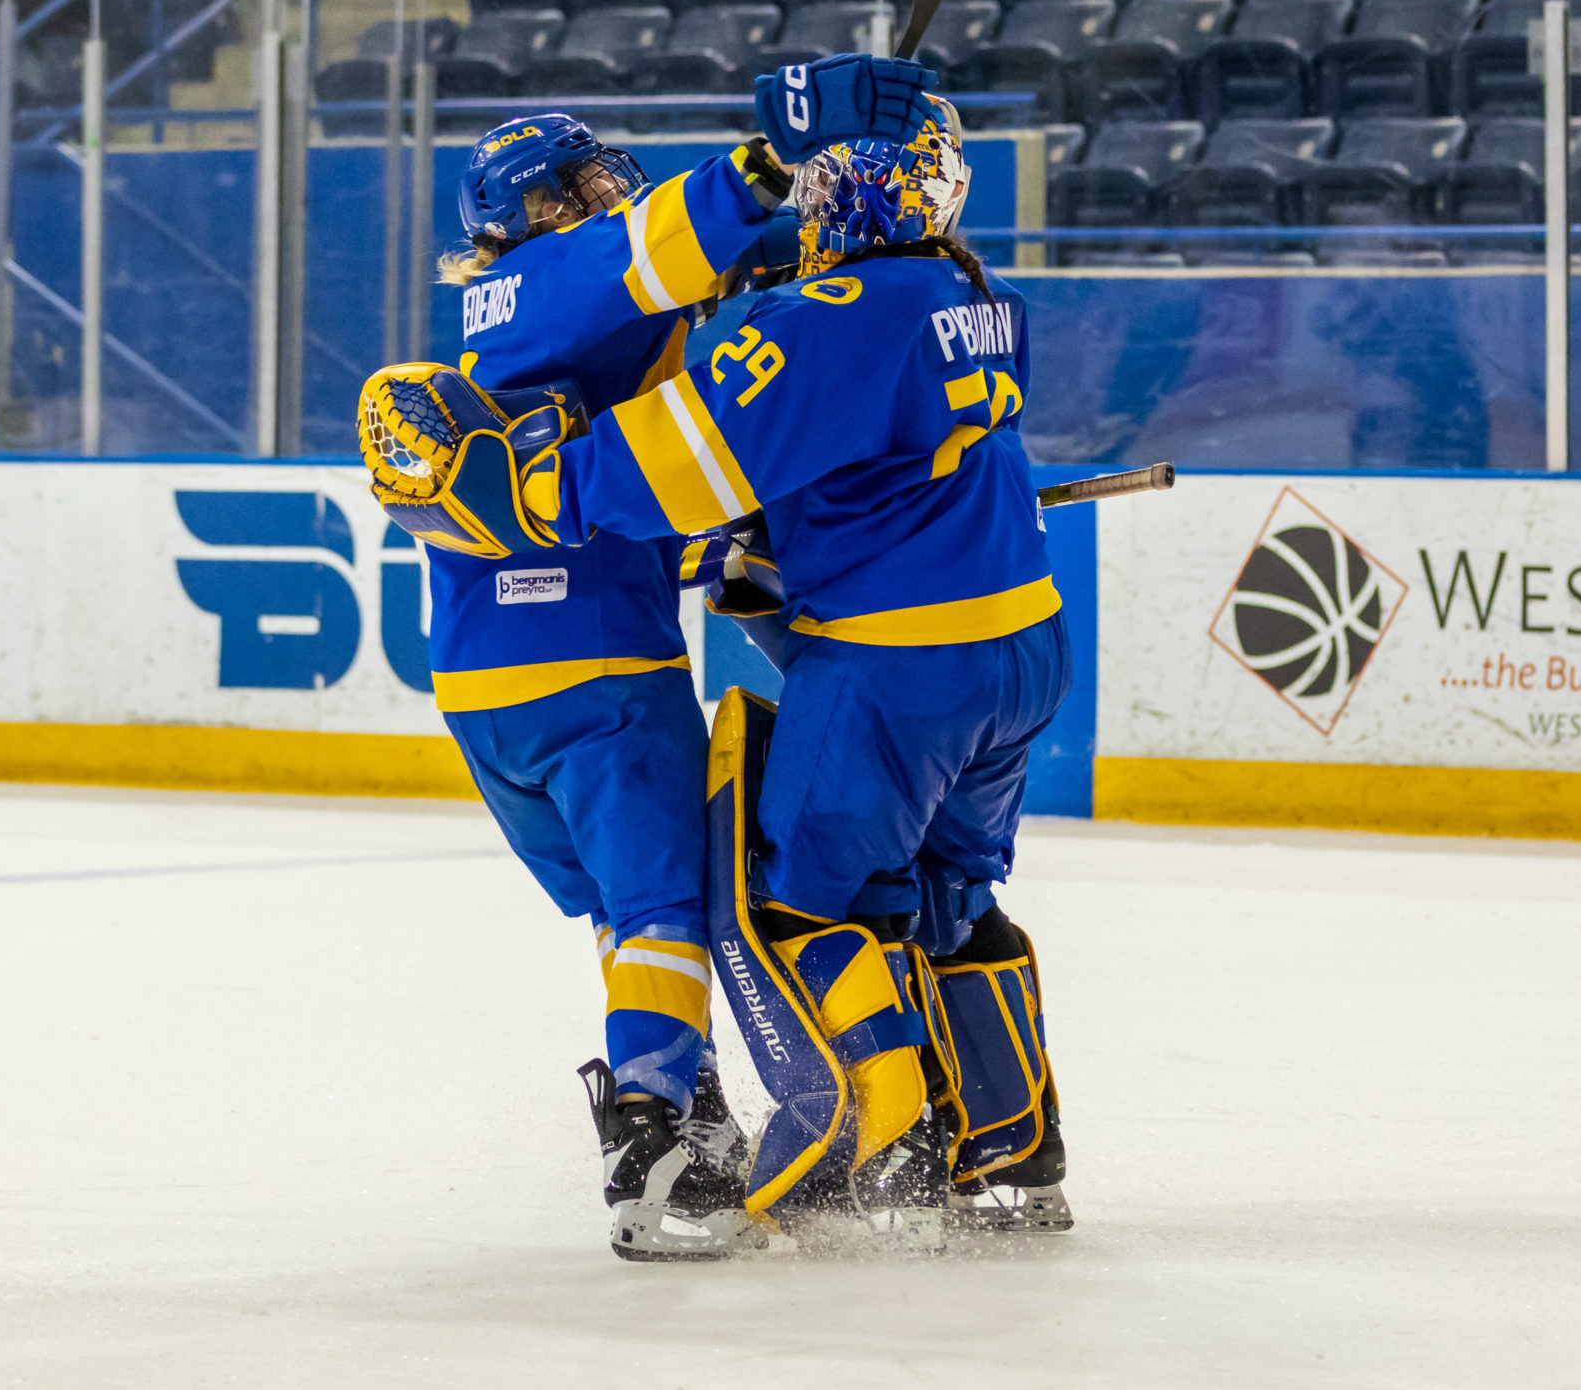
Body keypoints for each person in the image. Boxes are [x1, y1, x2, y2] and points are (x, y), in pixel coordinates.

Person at [373, 84, 1076, 1240]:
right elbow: (669, 292)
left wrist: (587, 499)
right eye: (583, 185)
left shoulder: (812, 314)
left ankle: (827, 1139)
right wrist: (765, 161)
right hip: (989, 636)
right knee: (919, 891)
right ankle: (995, 1153)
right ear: (526, 214)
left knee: (760, 901)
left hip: (578, 674)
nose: (611, 194)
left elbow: (699, 457)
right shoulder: (970, 289)